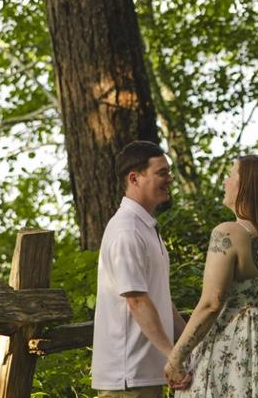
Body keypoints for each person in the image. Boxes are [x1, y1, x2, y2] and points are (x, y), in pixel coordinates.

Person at [165, 154, 258, 397]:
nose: (225, 181)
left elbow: (212, 303)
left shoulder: (228, 233)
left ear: (246, 185)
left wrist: (175, 359)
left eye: (231, 175)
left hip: (228, 351)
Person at [91, 141, 190, 398]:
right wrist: (173, 356)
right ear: (135, 178)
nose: (169, 179)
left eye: (169, 172)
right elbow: (136, 300)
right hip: (127, 379)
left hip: (146, 375)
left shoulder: (145, 228)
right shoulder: (127, 230)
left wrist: (187, 348)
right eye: (162, 173)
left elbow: (161, 302)